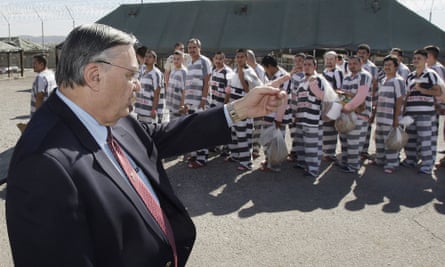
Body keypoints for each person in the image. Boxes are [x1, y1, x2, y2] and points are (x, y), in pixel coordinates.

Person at [5, 23, 288, 267]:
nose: (138, 85)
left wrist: (239, 110)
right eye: (130, 75)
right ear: (94, 76)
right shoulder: (42, 166)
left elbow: (159, 135)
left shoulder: (110, 114)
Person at [402, 49, 442, 175]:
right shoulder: (410, 75)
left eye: (419, 58)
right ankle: (411, 160)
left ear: (426, 59)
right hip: (410, 112)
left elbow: (438, 92)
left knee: (425, 140)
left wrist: (424, 91)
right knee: (410, 139)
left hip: (426, 113)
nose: (415, 61)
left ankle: (427, 166)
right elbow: (407, 94)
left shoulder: (431, 74)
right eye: (414, 58)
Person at [292, 55, 331, 177]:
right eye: (305, 64)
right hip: (301, 119)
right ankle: (303, 163)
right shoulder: (302, 81)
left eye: (309, 64)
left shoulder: (318, 79)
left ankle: (312, 170)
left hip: (313, 120)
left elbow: (326, 97)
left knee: (312, 146)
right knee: (301, 144)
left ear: (315, 66)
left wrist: (315, 89)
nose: (307, 67)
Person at [224, 49, 262, 171]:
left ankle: (246, 162)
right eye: (238, 57)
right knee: (234, 132)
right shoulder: (234, 70)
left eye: (242, 57)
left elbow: (252, 91)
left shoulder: (249, 71)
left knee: (243, 135)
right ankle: (235, 156)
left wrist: (242, 78)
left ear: (246, 58)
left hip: (244, 107)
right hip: (233, 105)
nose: (239, 59)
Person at [370, 55, 406, 174]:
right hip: (381, 118)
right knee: (379, 140)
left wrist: (396, 119)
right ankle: (380, 160)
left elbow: (400, 100)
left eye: (390, 65)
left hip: (391, 119)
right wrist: (374, 115)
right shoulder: (384, 80)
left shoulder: (398, 81)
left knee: (391, 142)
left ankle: (392, 163)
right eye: (385, 65)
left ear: (396, 67)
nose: (387, 67)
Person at [337, 55, 372, 173]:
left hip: (359, 114)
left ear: (361, 63)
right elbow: (343, 96)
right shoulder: (346, 77)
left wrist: (348, 106)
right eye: (350, 64)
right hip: (347, 113)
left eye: (355, 63)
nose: (352, 66)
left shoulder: (364, 76)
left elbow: (361, 96)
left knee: (354, 142)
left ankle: (353, 166)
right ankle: (346, 163)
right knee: (345, 141)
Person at [184, 38, 213, 168]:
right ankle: (195, 155)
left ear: (199, 48)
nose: (191, 50)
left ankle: (202, 159)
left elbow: (207, 82)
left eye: (194, 47)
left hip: (200, 102)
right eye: (189, 48)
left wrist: (203, 99)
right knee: (193, 129)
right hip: (190, 102)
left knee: (201, 129)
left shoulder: (204, 61)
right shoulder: (189, 63)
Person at [260, 55, 290, 172]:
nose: (265, 71)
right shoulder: (268, 75)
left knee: (276, 141)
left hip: (278, 116)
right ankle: (268, 160)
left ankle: (275, 165)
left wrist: (278, 119)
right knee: (266, 139)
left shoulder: (284, 77)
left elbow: (283, 100)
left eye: (266, 68)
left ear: (270, 66)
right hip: (267, 113)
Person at [17, 54, 58, 133]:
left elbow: (40, 96)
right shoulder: (51, 74)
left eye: (35, 63)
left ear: (41, 64)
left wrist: (37, 116)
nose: (33, 65)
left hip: (42, 112)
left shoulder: (41, 77)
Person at [321, 51, 343, 162]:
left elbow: (339, 90)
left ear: (336, 60)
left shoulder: (338, 72)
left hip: (333, 103)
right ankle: (325, 151)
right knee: (324, 128)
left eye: (331, 59)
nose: (329, 61)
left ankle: (330, 153)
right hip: (324, 103)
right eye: (327, 59)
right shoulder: (324, 72)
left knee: (331, 128)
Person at [134, 49, 165, 123]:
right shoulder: (142, 72)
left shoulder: (156, 73)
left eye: (150, 57)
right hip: (141, 109)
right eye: (146, 56)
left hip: (150, 112)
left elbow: (157, 93)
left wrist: (154, 110)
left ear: (155, 60)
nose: (147, 58)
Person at [165, 50, 187, 120]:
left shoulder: (184, 72)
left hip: (178, 106)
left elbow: (185, 90)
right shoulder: (173, 70)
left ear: (182, 60)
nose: (176, 61)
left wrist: (182, 105)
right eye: (174, 59)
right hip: (171, 104)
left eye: (178, 59)